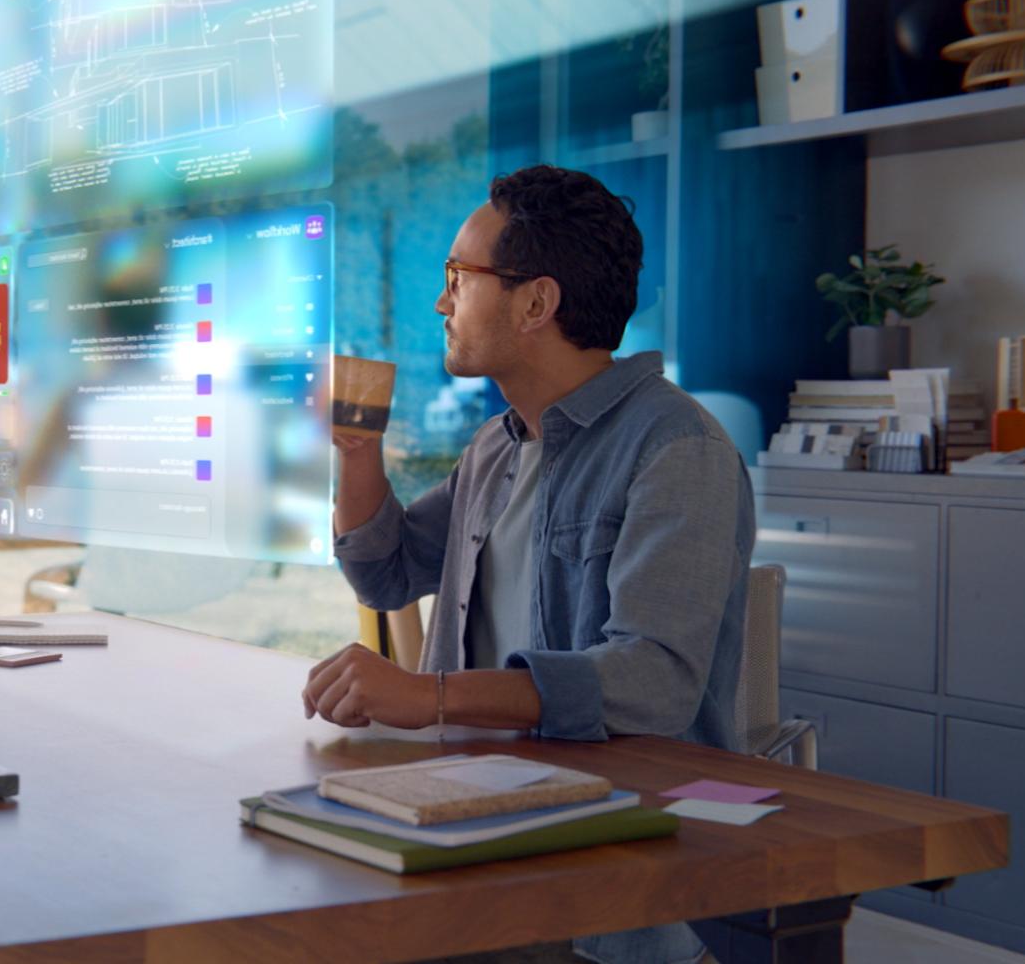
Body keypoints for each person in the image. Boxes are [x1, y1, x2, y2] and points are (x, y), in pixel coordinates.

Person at [305, 165, 752, 964]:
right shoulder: (499, 446)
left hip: (606, 885)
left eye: (457, 278)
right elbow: (388, 574)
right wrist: (358, 449)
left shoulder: (677, 448)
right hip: (476, 839)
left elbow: (652, 680)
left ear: (536, 303)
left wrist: (430, 695)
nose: (442, 302)